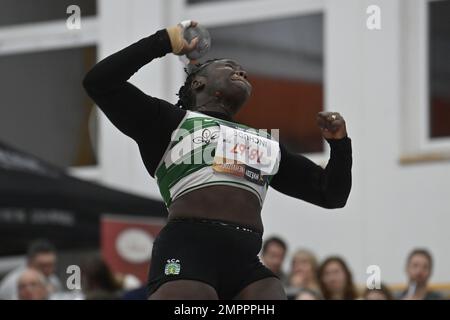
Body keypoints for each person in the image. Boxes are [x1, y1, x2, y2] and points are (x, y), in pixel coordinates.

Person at [83, 20, 352, 300]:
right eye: (230, 67)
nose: (242, 71)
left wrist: (340, 145)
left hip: (245, 259)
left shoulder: (265, 142)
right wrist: (164, 41)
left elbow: (331, 194)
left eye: (242, 70)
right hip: (188, 249)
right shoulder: (167, 122)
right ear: (198, 82)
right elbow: (100, 82)